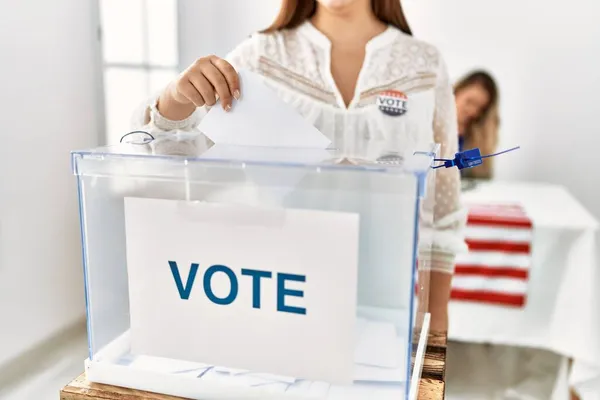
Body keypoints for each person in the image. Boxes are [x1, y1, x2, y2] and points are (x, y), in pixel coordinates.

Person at [132, 0, 467, 331]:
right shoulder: (258, 57)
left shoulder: (426, 65)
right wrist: (176, 95)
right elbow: (171, 151)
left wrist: (434, 325)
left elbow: (442, 208)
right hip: (275, 298)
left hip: (386, 310)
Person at [454, 70, 500, 179]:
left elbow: (476, 177)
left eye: (480, 108)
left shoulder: (473, 137)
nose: (473, 112)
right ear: (455, 92)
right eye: (469, 102)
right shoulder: (430, 126)